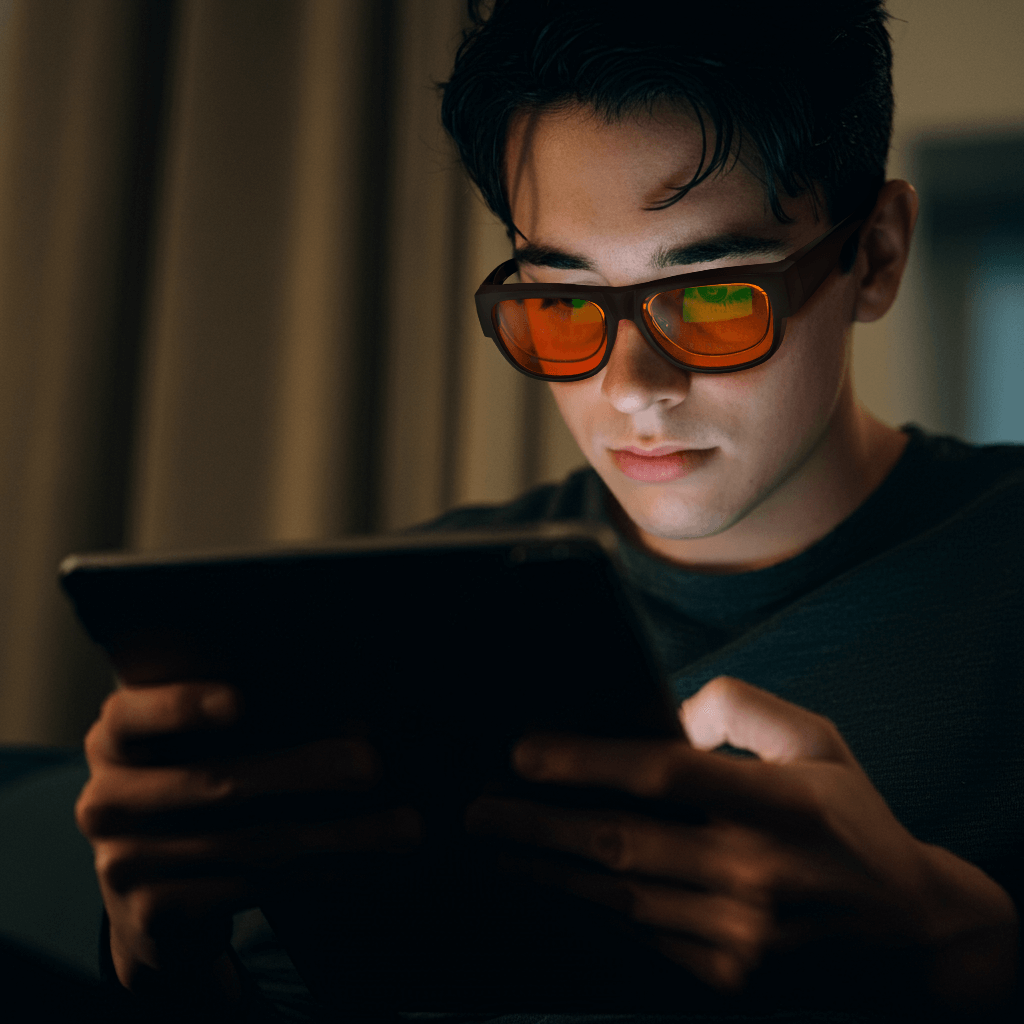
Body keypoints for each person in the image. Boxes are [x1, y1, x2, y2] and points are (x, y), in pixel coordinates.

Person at [75, 0, 1022, 1020]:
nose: (631, 386)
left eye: (710, 296)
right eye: (562, 303)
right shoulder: (399, 618)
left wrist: (970, 955)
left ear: (873, 256)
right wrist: (160, 961)